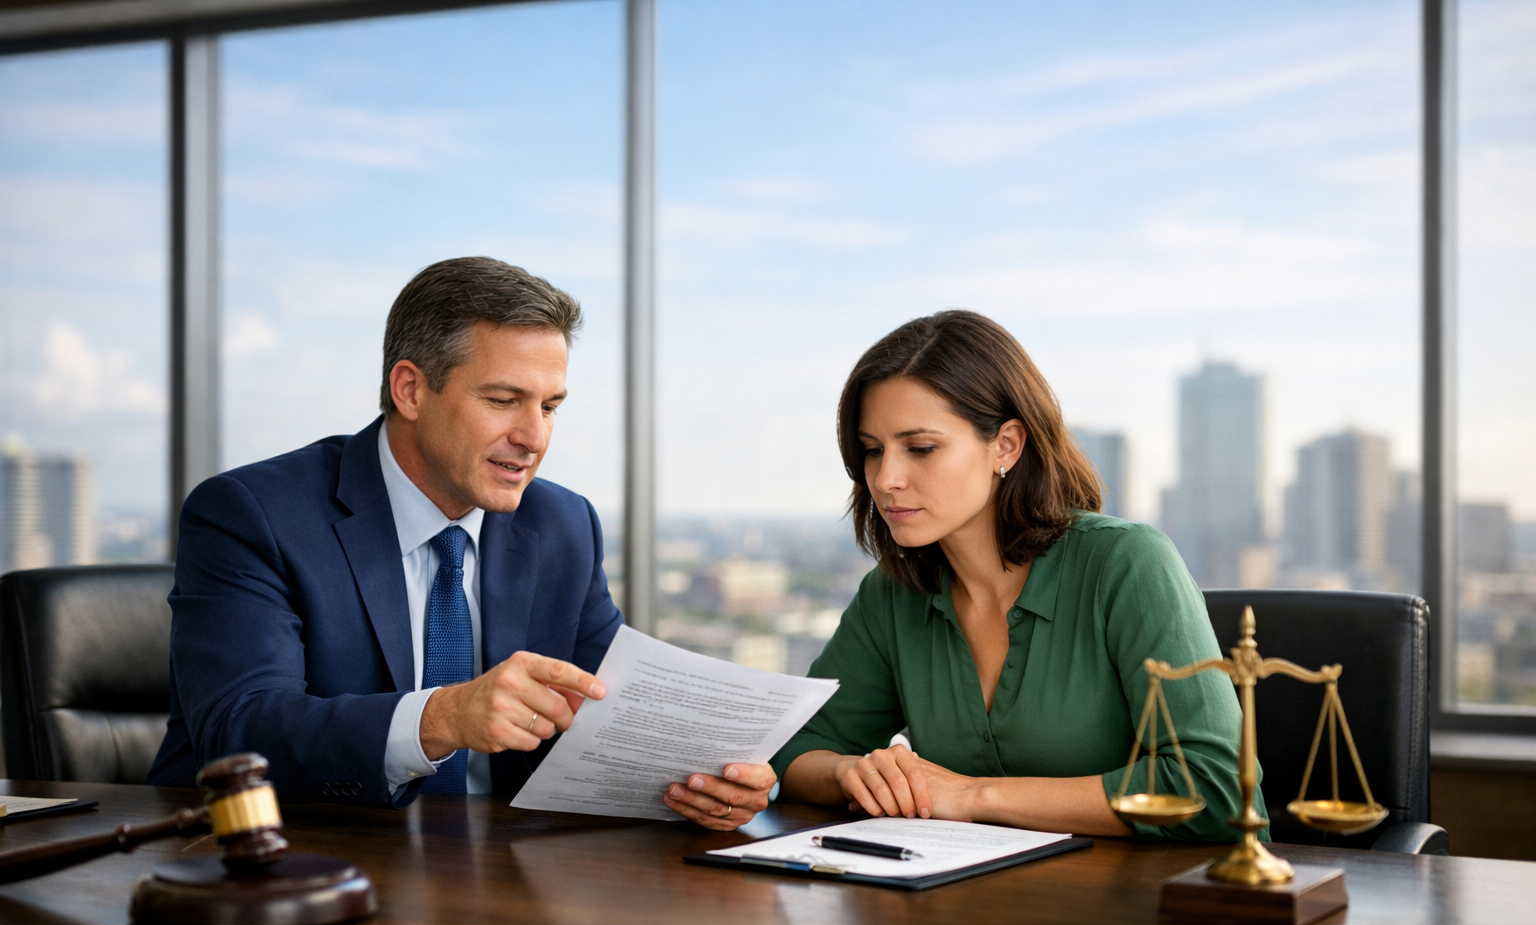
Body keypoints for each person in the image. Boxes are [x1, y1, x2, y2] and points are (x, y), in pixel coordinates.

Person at [148, 257, 773, 830]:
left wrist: (714, 775)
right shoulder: (253, 514)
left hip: (501, 872)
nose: (534, 438)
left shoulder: (563, 524)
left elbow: (613, 709)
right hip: (288, 859)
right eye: (503, 400)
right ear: (411, 390)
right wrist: (444, 717)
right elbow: (240, 731)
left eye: (550, 406)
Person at [772, 310, 1258, 841]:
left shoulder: (1127, 563)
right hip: (957, 889)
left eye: (921, 448)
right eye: (872, 450)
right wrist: (855, 773)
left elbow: (1217, 787)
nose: (885, 478)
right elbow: (792, 752)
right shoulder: (893, 593)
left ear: (1005, 445)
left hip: (1145, 892)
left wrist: (971, 796)